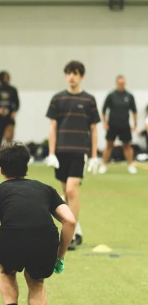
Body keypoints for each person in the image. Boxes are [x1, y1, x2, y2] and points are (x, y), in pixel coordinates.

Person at [0, 143, 76, 305]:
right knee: (36, 282)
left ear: (1, 169)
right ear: (27, 167)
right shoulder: (46, 190)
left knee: (6, 272)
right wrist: (59, 256)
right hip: (45, 237)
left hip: (11, 236)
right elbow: (69, 220)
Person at [45, 60, 100, 250]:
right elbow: (53, 127)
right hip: (61, 153)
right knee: (66, 196)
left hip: (79, 152)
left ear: (81, 76)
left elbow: (93, 129)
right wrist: (51, 152)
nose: (72, 77)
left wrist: (93, 155)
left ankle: (71, 232)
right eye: (69, 73)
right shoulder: (57, 99)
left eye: (75, 73)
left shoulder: (89, 100)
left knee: (71, 190)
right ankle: (78, 231)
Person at [99, 75, 138, 175]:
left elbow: (134, 111)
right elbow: (104, 110)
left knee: (127, 145)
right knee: (109, 145)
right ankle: (103, 165)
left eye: (123, 83)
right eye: (120, 83)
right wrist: (104, 123)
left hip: (124, 125)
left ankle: (130, 165)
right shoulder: (111, 95)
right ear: (117, 84)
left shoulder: (129, 96)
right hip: (112, 124)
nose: (121, 85)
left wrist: (135, 124)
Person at [0, 72, 20, 172]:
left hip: (9, 117)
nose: (6, 79)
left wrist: (14, 111)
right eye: (4, 77)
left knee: (9, 138)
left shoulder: (12, 90)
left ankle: (9, 160)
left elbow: (17, 103)